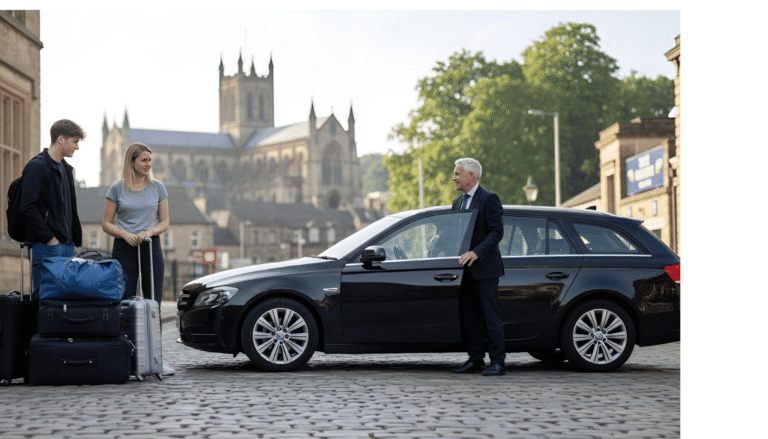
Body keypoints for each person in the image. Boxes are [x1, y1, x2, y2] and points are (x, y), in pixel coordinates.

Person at [101, 142, 174, 375]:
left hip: (150, 247)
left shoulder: (158, 187)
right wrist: (126, 235)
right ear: (131, 162)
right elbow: (106, 223)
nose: (148, 164)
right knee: (125, 302)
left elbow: (164, 222)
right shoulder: (117, 188)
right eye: (143, 160)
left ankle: (155, 359)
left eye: (149, 160)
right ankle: (126, 357)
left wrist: (148, 232)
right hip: (124, 248)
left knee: (154, 303)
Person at [450, 158, 506, 376]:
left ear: (470, 176)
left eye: (457, 173)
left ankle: (498, 362)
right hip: (463, 272)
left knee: (490, 317)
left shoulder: (489, 199)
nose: (454, 177)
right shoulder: (457, 202)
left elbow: (496, 232)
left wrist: (477, 252)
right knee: (470, 317)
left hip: (485, 269)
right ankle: (475, 360)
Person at [19, 119, 85, 299]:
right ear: (61, 139)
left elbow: (69, 210)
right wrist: (51, 240)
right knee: (46, 302)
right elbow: (27, 207)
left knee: (64, 304)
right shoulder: (37, 167)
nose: (77, 147)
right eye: (75, 141)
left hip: (66, 247)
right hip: (46, 246)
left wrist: (72, 241)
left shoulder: (66, 169)